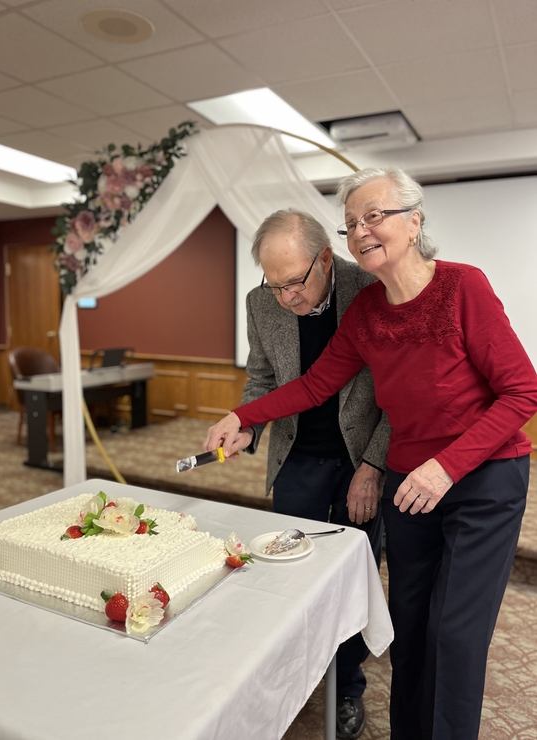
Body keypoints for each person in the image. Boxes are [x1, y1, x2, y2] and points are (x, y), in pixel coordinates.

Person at [204, 168, 537, 740]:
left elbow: (522, 392)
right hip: (409, 483)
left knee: (453, 633)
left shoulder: (464, 286)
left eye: (374, 215)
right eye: (353, 221)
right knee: (407, 624)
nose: (361, 230)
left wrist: (446, 465)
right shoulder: (367, 313)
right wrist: (242, 417)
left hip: (483, 478)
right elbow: (313, 386)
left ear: (414, 220)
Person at [231, 209, 390, 740]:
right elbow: (262, 377)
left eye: (293, 283)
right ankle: (292, 680)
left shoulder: (371, 288)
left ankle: (345, 691)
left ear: (325, 258)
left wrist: (373, 465)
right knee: (288, 582)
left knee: (348, 588)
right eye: (273, 285)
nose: (284, 298)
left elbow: (398, 394)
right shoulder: (261, 301)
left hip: (360, 458)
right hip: (297, 457)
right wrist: (248, 428)